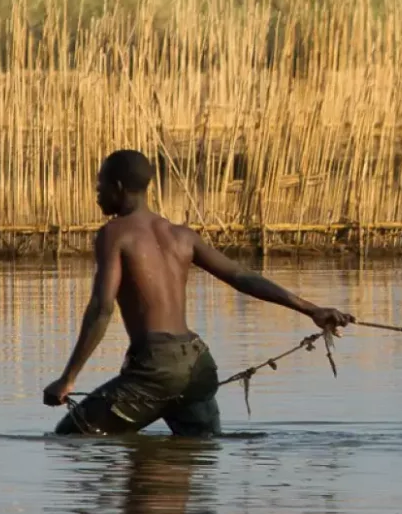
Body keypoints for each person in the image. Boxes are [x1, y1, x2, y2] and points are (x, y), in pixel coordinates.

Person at [45, 149, 353, 435]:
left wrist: (68, 377)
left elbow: (102, 308)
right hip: (197, 365)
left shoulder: (114, 234)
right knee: (197, 451)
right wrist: (311, 309)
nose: (97, 194)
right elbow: (242, 276)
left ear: (120, 187)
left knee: (71, 437)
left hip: (156, 368)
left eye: (101, 186)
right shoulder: (182, 235)